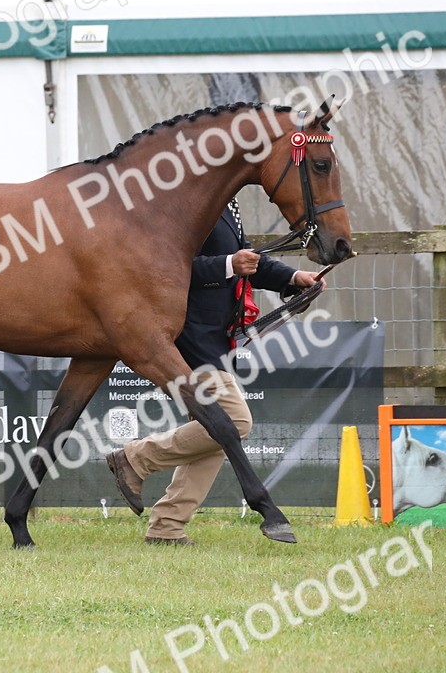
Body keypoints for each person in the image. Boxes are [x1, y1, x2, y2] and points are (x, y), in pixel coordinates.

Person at [105, 198, 318, 545]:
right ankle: (135, 457)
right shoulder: (185, 202)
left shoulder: (225, 202)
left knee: (216, 436)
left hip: (213, 337)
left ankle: (167, 526)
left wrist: (293, 277)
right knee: (234, 422)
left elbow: (249, 260)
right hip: (188, 335)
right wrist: (227, 264)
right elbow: (163, 267)